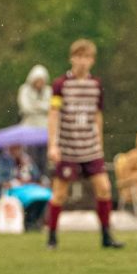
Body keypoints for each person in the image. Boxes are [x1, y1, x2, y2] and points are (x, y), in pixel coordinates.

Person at [44, 39, 123, 250]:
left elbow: (97, 115)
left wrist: (100, 143)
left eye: (86, 57)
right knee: (60, 193)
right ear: (72, 58)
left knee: (104, 188)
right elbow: (53, 114)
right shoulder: (61, 85)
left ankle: (106, 235)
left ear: (92, 60)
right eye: (79, 57)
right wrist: (53, 144)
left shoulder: (96, 85)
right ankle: (51, 236)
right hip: (69, 148)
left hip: (90, 148)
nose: (82, 62)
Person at [0, 143, 50, 230]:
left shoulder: (26, 159)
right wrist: (13, 180)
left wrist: (27, 166)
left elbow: (36, 175)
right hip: (13, 190)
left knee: (45, 195)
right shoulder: (3, 161)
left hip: (30, 187)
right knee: (31, 197)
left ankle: (34, 219)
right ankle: (29, 221)